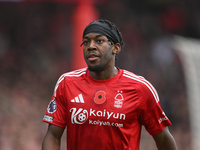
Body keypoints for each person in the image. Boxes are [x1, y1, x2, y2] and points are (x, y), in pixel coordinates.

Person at [42, 19, 178, 150]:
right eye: (86, 42)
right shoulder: (67, 83)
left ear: (116, 48)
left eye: (99, 41)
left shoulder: (140, 88)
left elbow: (164, 140)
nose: (91, 46)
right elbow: (53, 136)